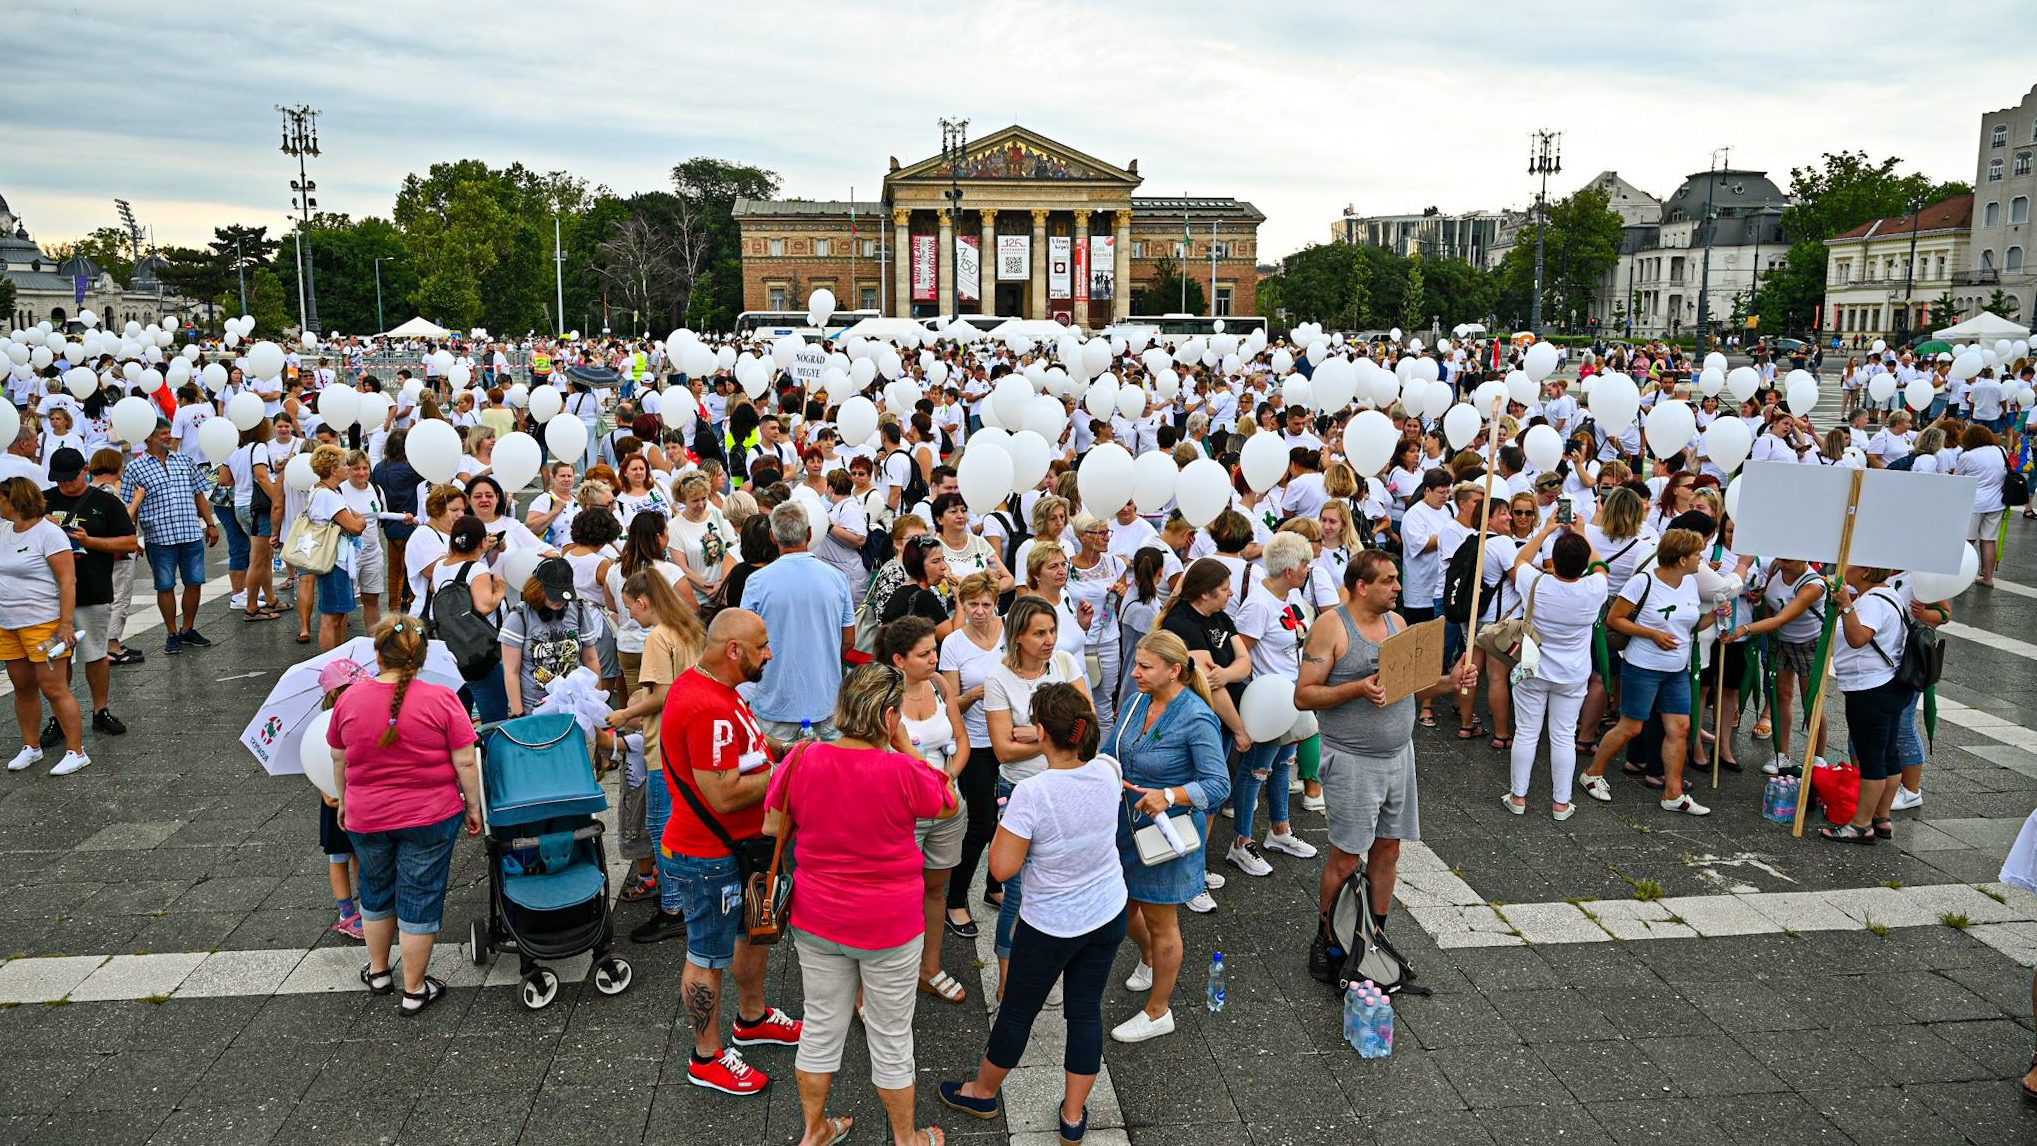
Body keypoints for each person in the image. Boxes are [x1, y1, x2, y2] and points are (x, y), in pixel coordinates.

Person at [764, 661, 957, 1146]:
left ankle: (815, 1130)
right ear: (890, 716)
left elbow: (772, 826)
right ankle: (905, 1137)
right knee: (891, 1037)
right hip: (890, 924)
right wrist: (907, 745)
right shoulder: (903, 770)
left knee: (822, 1025)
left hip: (818, 916)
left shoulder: (804, 758)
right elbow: (947, 802)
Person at [938, 683, 1127, 1145]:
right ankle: (1073, 1115)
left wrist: (1008, 822)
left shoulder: (1033, 792)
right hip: (1107, 910)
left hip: (1052, 924)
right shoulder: (1107, 768)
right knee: (1084, 1010)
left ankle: (982, 1092)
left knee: (1018, 1011)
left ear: (1040, 733)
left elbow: (1002, 868)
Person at [1297, 550, 1477, 982]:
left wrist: (1451, 683)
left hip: (1399, 756)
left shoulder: (1397, 625)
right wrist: (1358, 688)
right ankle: (1327, 939)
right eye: (1390, 580)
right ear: (1363, 586)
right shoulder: (1331, 627)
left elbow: (1414, 686)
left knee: (1389, 851)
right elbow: (1303, 695)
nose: (1399, 587)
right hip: (1353, 761)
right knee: (1344, 858)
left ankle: (1373, 935)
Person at [657, 608, 804, 1096]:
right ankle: (707, 1055)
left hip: (742, 848)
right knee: (707, 955)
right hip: (709, 856)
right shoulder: (709, 707)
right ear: (733, 650)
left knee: (753, 933)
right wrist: (788, 774)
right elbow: (721, 793)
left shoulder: (717, 692)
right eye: (762, 645)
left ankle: (753, 1018)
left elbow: (746, 750)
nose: (771, 653)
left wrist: (781, 750)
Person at [328, 616, 481, 1014]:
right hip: (430, 816)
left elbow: (339, 756)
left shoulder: (349, 699)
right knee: (420, 896)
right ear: (422, 657)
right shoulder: (443, 699)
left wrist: (344, 800)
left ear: (377, 656)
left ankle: (379, 971)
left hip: (367, 816)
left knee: (376, 892)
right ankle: (414, 989)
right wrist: (474, 806)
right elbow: (465, 760)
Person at [1106, 630, 1228, 1044]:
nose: (1134, 672)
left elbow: (1217, 784)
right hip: (1126, 827)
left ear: (1174, 671)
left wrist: (1171, 795)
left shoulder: (1196, 716)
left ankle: (1159, 1012)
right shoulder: (1138, 700)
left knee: (1162, 920)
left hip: (1166, 837)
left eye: (1144, 666)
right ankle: (1147, 959)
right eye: (1136, 664)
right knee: (1121, 907)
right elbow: (1112, 750)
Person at [983, 595, 1092, 1004]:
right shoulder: (999, 680)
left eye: (1052, 631)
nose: (1049, 640)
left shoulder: (1064, 664)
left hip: (1066, 787)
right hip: (1021, 793)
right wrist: (1055, 735)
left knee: (1058, 883)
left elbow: (1089, 725)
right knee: (1017, 891)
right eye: (1039, 633)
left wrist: (1031, 732)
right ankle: (1008, 976)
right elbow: (1003, 752)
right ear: (1018, 637)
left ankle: (1049, 969)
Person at [1577, 528, 1717, 815]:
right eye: (1696, 554)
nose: (1700, 558)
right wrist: (1652, 634)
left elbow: (1689, 626)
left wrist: (1714, 616)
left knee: (1680, 728)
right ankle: (1592, 774)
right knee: (1631, 726)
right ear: (1680, 559)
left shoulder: (1689, 584)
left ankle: (1673, 793)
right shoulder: (1643, 582)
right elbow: (1615, 619)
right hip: (1643, 666)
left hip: (1677, 668)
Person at [877, 617, 971, 1003]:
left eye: (934, 649)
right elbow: (890, 749)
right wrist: (936, 779)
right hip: (901, 809)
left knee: (935, 889)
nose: (934, 657)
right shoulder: (882, 696)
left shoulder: (939, 684)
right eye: (925, 653)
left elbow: (961, 738)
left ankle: (928, 968)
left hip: (945, 804)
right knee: (893, 895)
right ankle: (877, 983)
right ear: (899, 659)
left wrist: (949, 776)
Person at [607, 568, 705, 906]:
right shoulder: (689, 629)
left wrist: (625, 713)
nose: (630, 615)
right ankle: (683, 895)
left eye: (630, 607)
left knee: (660, 824)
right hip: (690, 739)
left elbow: (661, 695)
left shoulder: (658, 638)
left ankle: (673, 904)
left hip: (663, 744)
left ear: (643, 601)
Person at [1226, 533, 1319, 875]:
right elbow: (1241, 655)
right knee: (1256, 770)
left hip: (1293, 696)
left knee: (1283, 764)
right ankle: (1241, 842)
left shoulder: (1291, 594)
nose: (1309, 569)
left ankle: (1279, 830)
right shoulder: (1258, 605)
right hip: (1269, 703)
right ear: (1290, 570)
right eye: (1305, 563)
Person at [1503, 516, 1607, 818]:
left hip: (1532, 668)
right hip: (1573, 673)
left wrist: (1546, 528)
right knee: (1563, 736)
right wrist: (1584, 533)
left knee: (1526, 732)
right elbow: (1602, 568)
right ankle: (1561, 803)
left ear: (1554, 561)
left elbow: (1521, 558)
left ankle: (1518, 796)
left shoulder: (1536, 583)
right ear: (1583, 563)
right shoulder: (1594, 588)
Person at [1816, 566, 1916, 844]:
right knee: (1888, 754)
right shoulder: (1886, 593)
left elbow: (1859, 638)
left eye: (1852, 564)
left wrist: (1847, 608)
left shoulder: (1871, 602)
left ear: (1866, 571)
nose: (1845, 567)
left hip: (1871, 690)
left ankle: (1860, 825)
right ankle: (1881, 817)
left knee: (1872, 758)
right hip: (1891, 686)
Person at [741, 502, 856, 743]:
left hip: (776, 702)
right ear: (810, 533)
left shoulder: (757, 582)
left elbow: (745, 642)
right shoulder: (837, 578)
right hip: (826, 701)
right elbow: (848, 640)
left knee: (780, 778)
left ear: (773, 536)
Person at [41, 448, 135, 740]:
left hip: (92, 587)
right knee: (57, 657)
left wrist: (89, 540)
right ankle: (58, 716)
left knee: (95, 653)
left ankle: (100, 710)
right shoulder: (44, 500)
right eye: (60, 480)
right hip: (49, 592)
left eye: (70, 478)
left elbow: (130, 542)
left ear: (85, 470)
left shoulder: (105, 501)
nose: (65, 485)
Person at [0, 476, 88, 776]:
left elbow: (67, 580)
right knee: (22, 687)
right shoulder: (4, 529)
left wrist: (65, 624)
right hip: (8, 623)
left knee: (54, 688)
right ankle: (31, 746)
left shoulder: (49, 534)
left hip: (43, 622)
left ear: (15, 500)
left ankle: (76, 751)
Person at [938, 571, 1006, 939]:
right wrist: (980, 692)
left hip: (1010, 737)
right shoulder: (953, 643)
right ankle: (956, 899)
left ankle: (995, 886)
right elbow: (952, 705)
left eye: (986, 604)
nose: (979, 612)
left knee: (1011, 818)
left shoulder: (1010, 632)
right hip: (976, 741)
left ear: (996, 603)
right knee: (980, 822)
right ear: (961, 604)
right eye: (972, 604)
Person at [121, 417, 219, 655]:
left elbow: (199, 495)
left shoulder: (184, 461)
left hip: (189, 532)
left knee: (194, 582)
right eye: (162, 433)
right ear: (149, 437)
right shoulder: (135, 468)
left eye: (168, 432)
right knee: (165, 586)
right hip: (159, 537)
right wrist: (130, 538)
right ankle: (172, 632)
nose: (168, 437)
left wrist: (209, 524)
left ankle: (188, 628)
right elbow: (129, 505)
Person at [500, 556, 605, 718]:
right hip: (535, 710)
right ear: (537, 588)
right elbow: (511, 671)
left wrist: (596, 703)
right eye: (553, 595)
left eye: (564, 597)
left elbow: (591, 659)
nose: (559, 601)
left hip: (575, 707)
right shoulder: (519, 617)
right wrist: (517, 714)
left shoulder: (578, 611)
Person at [305, 444, 370, 651]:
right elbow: (354, 525)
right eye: (344, 465)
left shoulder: (325, 491)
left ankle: (338, 660)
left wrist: (356, 519)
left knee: (338, 614)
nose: (348, 468)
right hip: (333, 561)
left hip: (336, 560)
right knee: (332, 616)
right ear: (333, 469)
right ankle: (332, 663)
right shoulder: (327, 495)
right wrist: (358, 521)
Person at [668, 471, 737, 607]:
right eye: (695, 500)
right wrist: (709, 589)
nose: (701, 504)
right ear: (683, 500)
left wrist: (722, 585)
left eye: (704, 499)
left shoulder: (717, 515)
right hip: (700, 601)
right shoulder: (674, 526)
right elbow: (681, 567)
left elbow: (733, 549)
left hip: (725, 592)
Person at [1954, 424, 2008, 587]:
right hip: (1997, 502)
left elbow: (1958, 478)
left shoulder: (1968, 456)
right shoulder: (2000, 451)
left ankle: (1961, 576)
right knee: (1989, 540)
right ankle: (1988, 577)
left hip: (1973, 503)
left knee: (1967, 541)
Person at [882, 535, 955, 632]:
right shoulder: (923, 597)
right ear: (918, 565)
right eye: (935, 561)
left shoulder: (901, 592)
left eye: (943, 560)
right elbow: (951, 637)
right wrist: (959, 595)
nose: (943, 567)